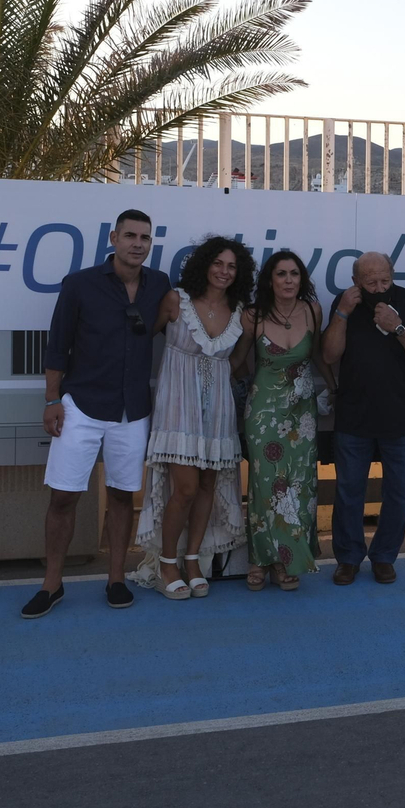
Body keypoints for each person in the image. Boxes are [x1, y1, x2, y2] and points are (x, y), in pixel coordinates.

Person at [22, 209, 172, 619]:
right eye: (130, 236)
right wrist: (53, 399)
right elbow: (57, 344)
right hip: (81, 406)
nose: (138, 244)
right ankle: (52, 585)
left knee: (124, 497)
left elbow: (158, 328)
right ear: (113, 238)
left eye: (145, 237)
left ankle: (116, 579)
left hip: (133, 410)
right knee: (64, 498)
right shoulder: (80, 284)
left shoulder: (159, 284)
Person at [131, 236, 255, 599]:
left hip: (217, 408)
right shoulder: (176, 300)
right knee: (184, 489)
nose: (224, 271)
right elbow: (141, 342)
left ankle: (191, 560)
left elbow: (237, 363)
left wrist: (211, 379)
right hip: (177, 406)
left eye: (232, 266)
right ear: (204, 264)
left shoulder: (241, 312)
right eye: (218, 263)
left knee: (206, 487)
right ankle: (166, 563)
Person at [321, 251, 405, 585]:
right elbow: (329, 354)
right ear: (356, 281)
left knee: (399, 493)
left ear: (393, 274)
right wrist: (342, 313)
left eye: (385, 279)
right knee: (348, 491)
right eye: (370, 282)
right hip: (353, 415)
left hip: (400, 415)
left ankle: (385, 557)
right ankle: (348, 558)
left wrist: (397, 326)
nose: (379, 287)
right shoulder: (345, 303)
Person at [241, 249, 333, 591]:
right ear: (269, 279)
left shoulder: (313, 310)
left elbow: (320, 355)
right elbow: (237, 360)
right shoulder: (253, 316)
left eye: (294, 273)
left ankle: (286, 561)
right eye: (281, 274)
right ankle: (259, 559)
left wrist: (335, 389)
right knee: (265, 487)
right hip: (263, 412)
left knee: (299, 486)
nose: (289, 280)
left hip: (302, 414)